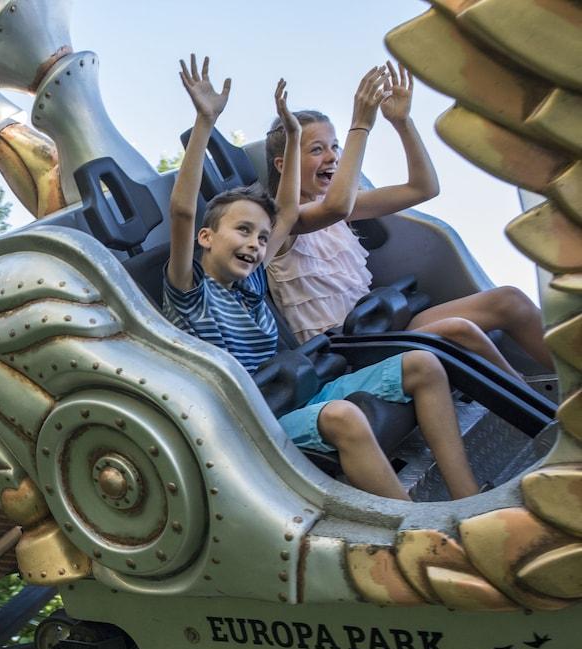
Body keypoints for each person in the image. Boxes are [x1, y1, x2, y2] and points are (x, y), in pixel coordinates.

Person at [164, 55, 478, 501]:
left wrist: (294, 136)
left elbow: (287, 211)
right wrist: (205, 121)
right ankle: (416, 525)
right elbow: (181, 210)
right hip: (258, 419)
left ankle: (468, 499)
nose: (254, 243)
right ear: (207, 237)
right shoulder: (189, 293)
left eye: (260, 236)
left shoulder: (252, 281)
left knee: (423, 363)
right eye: (242, 231)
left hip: (304, 389)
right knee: (344, 417)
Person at [264, 61, 551, 377]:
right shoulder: (281, 220)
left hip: (379, 329)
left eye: (335, 147)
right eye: (317, 149)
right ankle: (540, 409)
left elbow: (423, 187)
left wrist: (402, 122)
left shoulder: (341, 208)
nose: (332, 156)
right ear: (284, 164)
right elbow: (336, 207)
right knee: (460, 330)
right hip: (342, 353)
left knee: (509, 301)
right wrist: (361, 125)